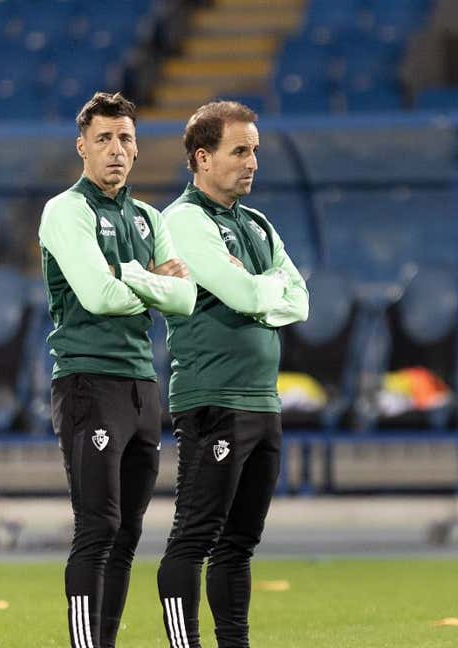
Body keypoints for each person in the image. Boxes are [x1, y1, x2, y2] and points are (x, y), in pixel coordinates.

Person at [38, 91, 196, 648]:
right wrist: (151, 279)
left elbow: (185, 298)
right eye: (103, 139)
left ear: (136, 148)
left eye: (125, 138)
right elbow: (98, 296)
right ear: (82, 147)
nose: (115, 149)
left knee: (128, 532)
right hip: (87, 382)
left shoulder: (149, 217)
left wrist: (128, 275)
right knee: (97, 527)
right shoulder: (66, 210)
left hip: (140, 388)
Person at [157, 100, 308, 648]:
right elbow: (252, 292)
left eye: (255, 151)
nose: (252, 163)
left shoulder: (258, 224)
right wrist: (263, 292)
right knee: (194, 536)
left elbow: (302, 301)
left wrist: (257, 294)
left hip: (263, 403)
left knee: (239, 543)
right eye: (239, 151)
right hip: (212, 398)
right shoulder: (183, 221)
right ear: (202, 158)